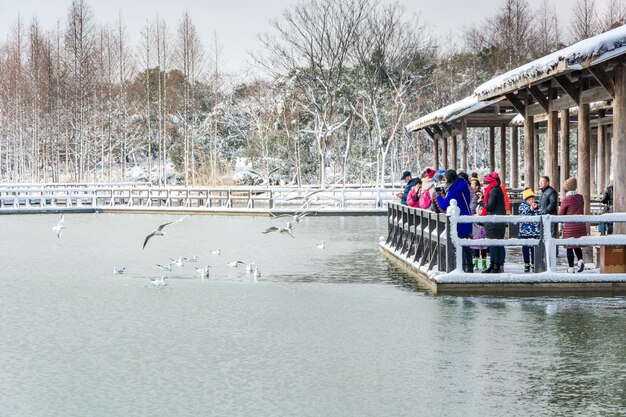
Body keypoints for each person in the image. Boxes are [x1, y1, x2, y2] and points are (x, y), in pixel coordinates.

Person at [435, 169, 474, 273]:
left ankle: (462, 267)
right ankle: (469, 266)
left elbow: (443, 206)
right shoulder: (463, 186)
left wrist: (438, 197)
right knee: (465, 244)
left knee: (459, 244)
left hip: (459, 220)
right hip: (466, 217)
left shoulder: (454, 191)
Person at [478, 172, 506, 273]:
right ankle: (493, 264)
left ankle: (496, 265)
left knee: (495, 245)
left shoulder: (493, 191)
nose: (484, 186)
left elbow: (490, 206)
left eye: (485, 184)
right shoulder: (495, 190)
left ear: (490, 183)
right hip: (494, 222)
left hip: (494, 222)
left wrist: (480, 202)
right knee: (493, 244)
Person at [559, 177, 586, 273]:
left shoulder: (566, 199)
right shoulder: (580, 197)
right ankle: (580, 261)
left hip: (570, 226)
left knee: (569, 247)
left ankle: (571, 268)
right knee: (577, 245)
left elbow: (560, 214)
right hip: (580, 225)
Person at [518, 188, 541, 273]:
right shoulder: (522, 206)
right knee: (525, 248)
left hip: (535, 231)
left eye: (532, 199)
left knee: (534, 248)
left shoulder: (537, 205)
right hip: (525, 232)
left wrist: (537, 208)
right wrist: (530, 209)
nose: (531, 201)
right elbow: (522, 213)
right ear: (525, 200)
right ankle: (526, 263)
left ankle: (534, 263)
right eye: (529, 199)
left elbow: (542, 213)